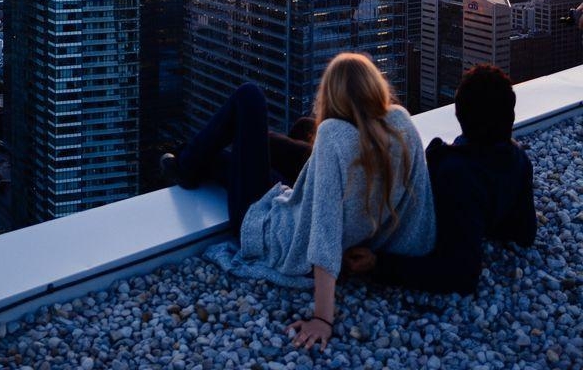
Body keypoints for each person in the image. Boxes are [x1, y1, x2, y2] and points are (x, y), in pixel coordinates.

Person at [161, 53, 435, 352]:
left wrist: (323, 318)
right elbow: (415, 202)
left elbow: (324, 229)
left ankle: (186, 167)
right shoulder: (401, 124)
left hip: (273, 235)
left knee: (248, 96)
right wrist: (382, 256)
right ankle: (188, 159)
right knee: (240, 159)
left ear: (331, 94)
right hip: (305, 221)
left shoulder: (333, 136)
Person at [344, 64, 536, 295]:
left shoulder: (456, 174)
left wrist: (378, 264)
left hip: (379, 207)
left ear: (458, 114)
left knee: (309, 145)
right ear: (510, 116)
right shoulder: (517, 160)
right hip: (393, 190)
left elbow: (460, 275)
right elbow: (525, 233)